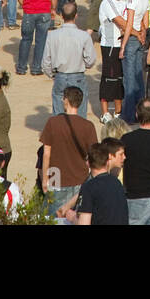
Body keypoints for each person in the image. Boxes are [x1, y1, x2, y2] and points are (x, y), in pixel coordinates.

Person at [40, 85, 99, 216]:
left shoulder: (53, 122)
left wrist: (45, 178)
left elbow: (46, 154)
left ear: (66, 101)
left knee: (51, 218)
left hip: (56, 178)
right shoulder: (88, 126)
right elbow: (94, 156)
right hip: (80, 179)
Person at [41, 1, 97, 116]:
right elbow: (91, 60)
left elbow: (45, 62)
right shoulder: (84, 36)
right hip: (78, 76)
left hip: (60, 76)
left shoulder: (52, 35)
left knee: (58, 113)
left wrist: (53, 75)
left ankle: (60, 133)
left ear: (61, 15)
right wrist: (82, 64)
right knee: (79, 111)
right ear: (76, 15)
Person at [69, 140, 129, 226]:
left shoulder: (89, 187)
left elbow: (84, 223)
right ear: (107, 161)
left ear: (88, 163)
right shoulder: (117, 183)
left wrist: (72, 218)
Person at [97, 0, 129, 123]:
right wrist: (137, 33)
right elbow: (120, 22)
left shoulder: (124, 2)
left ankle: (118, 111)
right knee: (108, 79)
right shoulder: (106, 3)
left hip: (122, 45)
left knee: (119, 79)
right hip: (110, 46)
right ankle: (104, 113)